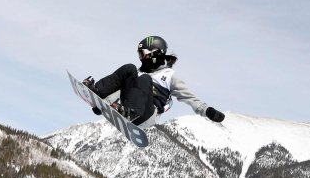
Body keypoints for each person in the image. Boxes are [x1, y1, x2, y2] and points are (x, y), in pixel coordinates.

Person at [83, 36, 225, 128]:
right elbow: (120, 91)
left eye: (142, 54)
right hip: (126, 108)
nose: (140, 58)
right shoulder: (137, 73)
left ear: (155, 53)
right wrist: (103, 105)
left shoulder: (169, 75)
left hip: (146, 114)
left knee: (145, 79)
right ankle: (97, 91)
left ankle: (130, 113)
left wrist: (208, 111)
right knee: (129, 68)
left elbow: (188, 97)